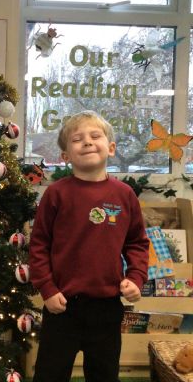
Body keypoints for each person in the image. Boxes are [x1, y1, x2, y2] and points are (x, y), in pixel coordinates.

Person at [29, 110, 149, 382]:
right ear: (65, 156)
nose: (87, 142)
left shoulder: (124, 195)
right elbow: (39, 245)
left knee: (104, 375)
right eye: (77, 139)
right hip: (61, 306)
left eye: (96, 136)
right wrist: (47, 288)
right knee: (49, 375)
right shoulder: (56, 193)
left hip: (107, 307)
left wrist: (136, 278)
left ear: (111, 148)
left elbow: (137, 243)